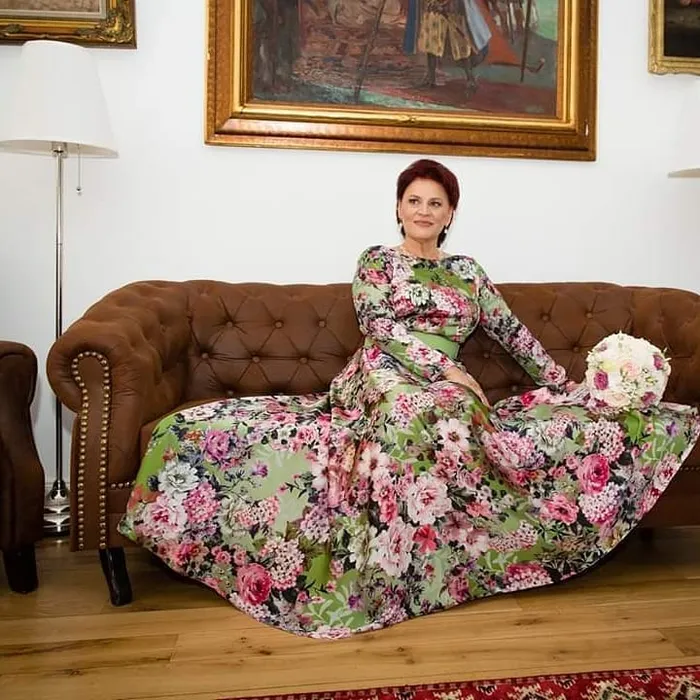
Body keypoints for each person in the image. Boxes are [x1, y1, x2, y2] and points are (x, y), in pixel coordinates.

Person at [118, 159, 700, 640]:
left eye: (435, 203)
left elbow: (512, 332)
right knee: (409, 410)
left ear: (451, 214)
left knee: (452, 416)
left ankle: (440, 566)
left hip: (448, 385)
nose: (424, 211)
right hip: (384, 369)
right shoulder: (376, 261)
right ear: (398, 207)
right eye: (414, 200)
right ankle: (379, 575)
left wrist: (559, 382)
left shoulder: (468, 272)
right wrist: (446, 367)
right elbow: (380, 327)